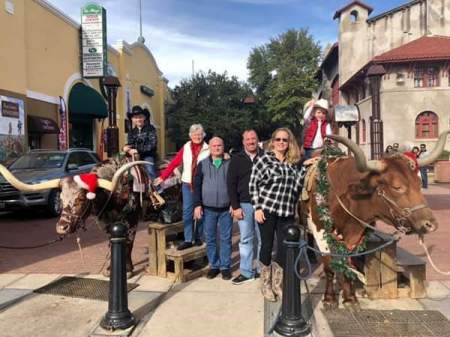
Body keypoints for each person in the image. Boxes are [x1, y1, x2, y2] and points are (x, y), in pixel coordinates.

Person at [249, 127, 312, 301]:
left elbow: (297, 186)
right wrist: (257, 208)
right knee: (267, 247)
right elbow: (253, 184)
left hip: (286, 212)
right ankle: (266, 285)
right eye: (278, 139)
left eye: (285, 140)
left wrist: (304, 168)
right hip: (267, 211)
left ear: (289, 142)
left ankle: (277, 283)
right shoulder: (264, 160)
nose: (281, 143)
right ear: (273, 141)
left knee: (284, 249)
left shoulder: (292, 162)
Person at [154, 124, 210, 250]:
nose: (197, 136)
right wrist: (163, 177)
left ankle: (198, 237)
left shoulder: (208, 148)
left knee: (201, 212)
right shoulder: (186, 147)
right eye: (195, 134)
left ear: (203, 135)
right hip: (187, 184)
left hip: (202, 185)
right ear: (190, 136)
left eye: (200, 134)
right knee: (187, 212)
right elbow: (174, 162)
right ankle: (188, 239)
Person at [193, 137, 233, 280]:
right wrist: (197, 204)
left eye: (219, 145)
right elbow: (196, 186)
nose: (217, 148)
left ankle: (225, 267)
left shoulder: (230, 163)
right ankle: (214, 265)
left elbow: (235, 185)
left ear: (223, 147)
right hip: (208, 209)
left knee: (225, 238)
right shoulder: (202, 164)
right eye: (214, 146)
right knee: (209, 238)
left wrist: (235, 204)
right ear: (209, 148)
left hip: (226, 209)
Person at [227, 130, 264, 285]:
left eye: (253, 138)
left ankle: (263, 271)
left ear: (257, 140)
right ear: (243, 142)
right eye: (247, 139)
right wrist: (235, 207)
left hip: (263, 205)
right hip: (244, 204)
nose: (250, 142)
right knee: (246, 239)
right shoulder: (236, 159)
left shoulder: (266, 157)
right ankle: (247, 271)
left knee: (263, 239)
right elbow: (231, 184)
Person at [123, 105, 158, 179]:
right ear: (132, 119)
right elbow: (130, 144)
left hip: (148, 155)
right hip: (134, 156)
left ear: (144, 117)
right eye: (135, 117)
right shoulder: (131, 132)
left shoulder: (150, 129)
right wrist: (125, 148)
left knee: (150, 169)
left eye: (140, 117)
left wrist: (137, 150)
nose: (138, 119)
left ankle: (158, 189)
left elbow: (152, 144)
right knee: (123, 169)